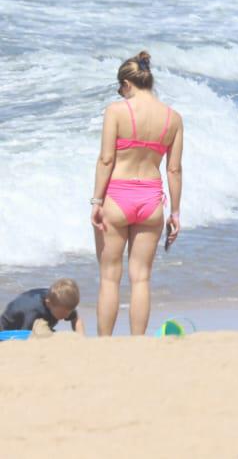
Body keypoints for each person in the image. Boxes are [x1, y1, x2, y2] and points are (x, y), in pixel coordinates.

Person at [91, 51, 183, 336]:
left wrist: (96, 201)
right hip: (151, 202)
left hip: (117, 197)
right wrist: (175, 212)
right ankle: (138, 345)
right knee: (141, 278)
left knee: (109, 277)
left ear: (127, 84)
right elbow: (174, 170)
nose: (121, 94)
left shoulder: (116, 111)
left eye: (120, 89)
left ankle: (105, 344)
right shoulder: (173, 118)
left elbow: (106, 160)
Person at [2, 279, 84, 335]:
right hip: (8, 329)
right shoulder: (33, 312)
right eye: (62, 314)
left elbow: (76, 319)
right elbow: (25, 336)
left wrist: (81, 339)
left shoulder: (61, 301)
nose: (66, 316)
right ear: (49, 303)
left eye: (69, 312)